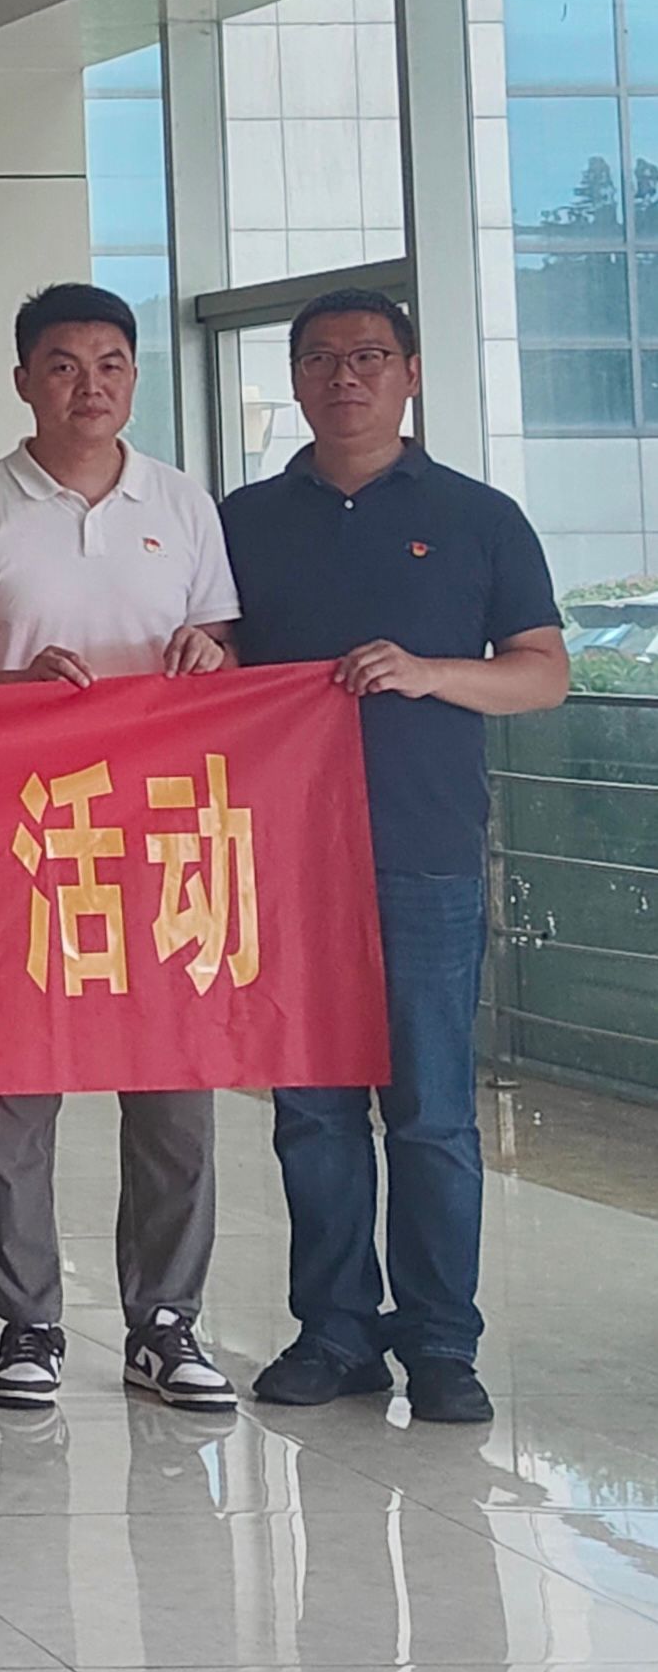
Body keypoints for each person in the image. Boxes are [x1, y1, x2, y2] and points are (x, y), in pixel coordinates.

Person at [222, 286, 565, 1427]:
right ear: (294, 380)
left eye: (369, 355)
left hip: (426, 853)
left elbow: (542, 672)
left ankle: (442, 1343)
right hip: (285, 861)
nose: (345, 377)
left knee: (431, 1115)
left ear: (410, 373)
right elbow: (218, 658)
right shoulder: (244, 520)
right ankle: (333, 1333)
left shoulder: (479, 516)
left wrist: (428, 672)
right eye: (321, 359)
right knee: (312, 1114)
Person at [0, 280, 239, 1415]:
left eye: (109, 363)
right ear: (22, 380)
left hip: (159, 832)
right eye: (61, 364)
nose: (87, 385)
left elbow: (224, 653)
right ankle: (28, 1321)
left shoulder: (183, 503)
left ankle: (166, 1319)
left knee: (172, 1082)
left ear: (135, 377)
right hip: (12, 835)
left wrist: (209, 653)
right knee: (11, 1083)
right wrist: (14, 685)